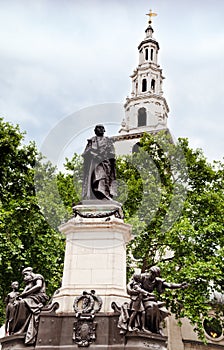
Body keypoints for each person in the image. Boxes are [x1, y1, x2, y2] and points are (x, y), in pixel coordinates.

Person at [9, 267, 48, 344]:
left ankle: (22, 329)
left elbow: (38, 286)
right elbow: (24, 292)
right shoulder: (29, 283)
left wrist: (26, 294)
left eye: (25, 274)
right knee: (17, 304)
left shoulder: (38, 276)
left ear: (30, 272)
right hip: (31, 297)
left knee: (23, 303)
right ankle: (18, 328)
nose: (25, 277)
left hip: (39, 297)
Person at [82, 124, 116, 200]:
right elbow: (85, 153)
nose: (100, 129)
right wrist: (92, 154)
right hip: (94, 163)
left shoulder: (108, 141)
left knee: (103, 177)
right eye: (98, 128)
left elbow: (112, 153)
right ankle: (99, 194)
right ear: (95, 131)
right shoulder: (91, 141)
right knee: (97, 177)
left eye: (101, 128)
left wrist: (104, 156)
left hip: (105, 163)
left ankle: (103, 194)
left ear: (104, 130)